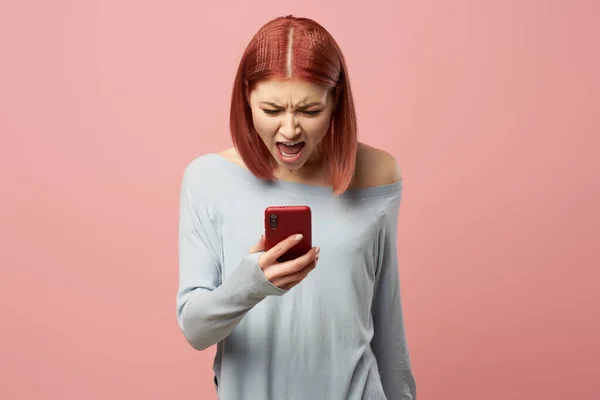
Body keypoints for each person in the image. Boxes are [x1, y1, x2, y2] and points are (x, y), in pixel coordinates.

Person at [176, 15, 416, 400]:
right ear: (247, 98)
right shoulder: (208, 179)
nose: (290, 130)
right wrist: (251, 283)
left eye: (309, 111)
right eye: (272, 111)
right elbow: (195, 329)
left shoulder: (378, 172)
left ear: (335, 100)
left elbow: (387, 320)